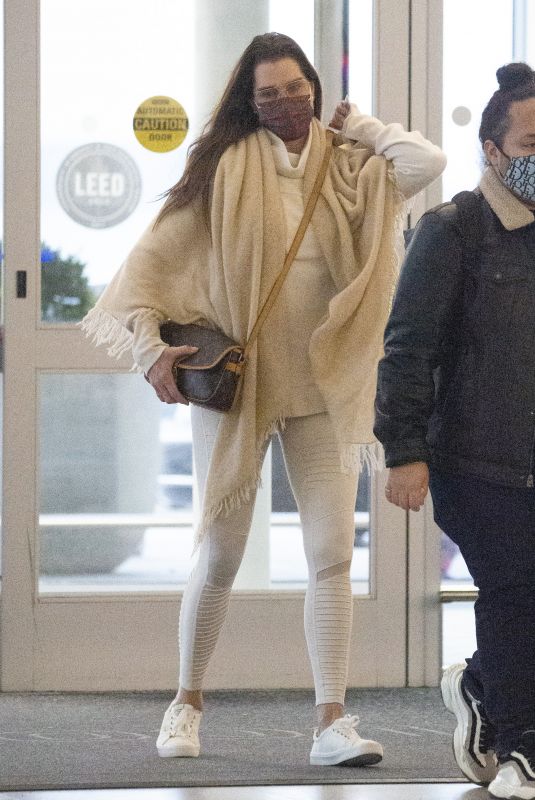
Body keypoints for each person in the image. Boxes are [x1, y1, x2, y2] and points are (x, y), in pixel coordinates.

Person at [82, 32, 445, 767]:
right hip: (239, 388)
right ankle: (185, 704)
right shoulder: (220, 168)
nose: (285, 102)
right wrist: (153, 350)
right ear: (248, 103)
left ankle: (330, 723)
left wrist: (363, 127)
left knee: (331, 554)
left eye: (295, 87)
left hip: (325, 384)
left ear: (314, 85)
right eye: (268, 93)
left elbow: (426, 163)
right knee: (218, 553)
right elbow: (149, 266)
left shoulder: (351, 164)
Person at [374, 62, 535, 799]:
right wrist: (403, 452)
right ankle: (520, 749)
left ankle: (477, 689)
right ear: (493, 149)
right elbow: (408, 347)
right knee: (511, 591)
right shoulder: (453, 230)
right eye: (531, 140)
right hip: (479, 461)